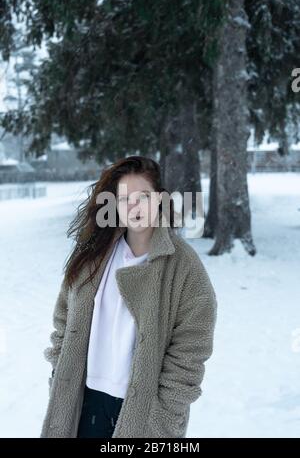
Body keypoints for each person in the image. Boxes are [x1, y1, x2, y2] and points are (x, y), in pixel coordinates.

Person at [40, 155, 217, 438]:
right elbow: (64, 317)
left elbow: (192, 347)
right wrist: (59, 370)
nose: (134, 206)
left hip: (142, 413)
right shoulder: (93, 255)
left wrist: (165, 412)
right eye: (125, 199)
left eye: (143, 196)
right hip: (82, 403)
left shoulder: (184, 266)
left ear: (159, 199)